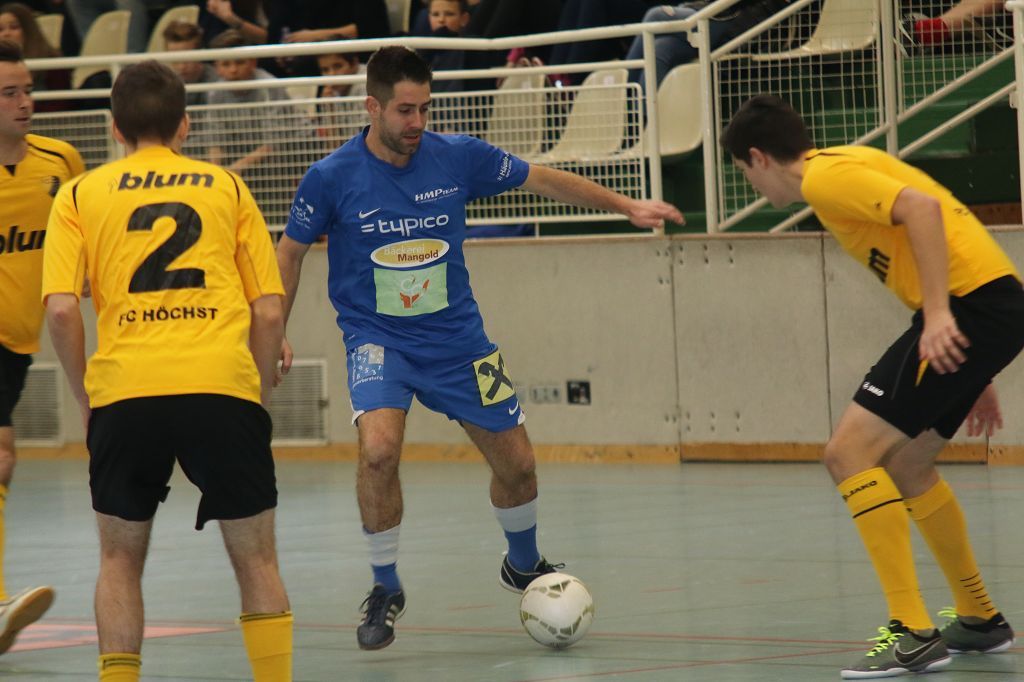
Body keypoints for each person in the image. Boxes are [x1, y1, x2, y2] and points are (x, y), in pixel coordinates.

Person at [276, 45, 683, 651]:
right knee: (379, 452)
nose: (417, 122)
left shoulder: (457, 156)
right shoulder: (331, 177)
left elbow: (542, 178)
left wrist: (626, 205)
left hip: (461, 343)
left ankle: (522, 563)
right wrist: (276, 329)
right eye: (405, 110)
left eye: (424, 108)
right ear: (372, 107)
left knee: (519, 467)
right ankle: (385, 585)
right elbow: (289, 252)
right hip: (378, 341)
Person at [721, 94, 1022, 679]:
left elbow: (923, 210)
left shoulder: (826, 178)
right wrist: (974, 362)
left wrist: (942, 316)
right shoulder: (842, 165)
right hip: (991, 306)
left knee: (847, 453)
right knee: (908, 463)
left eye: (743, 172)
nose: (751, 186)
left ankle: (912, 631)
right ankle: (980, 617)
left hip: (971, 306)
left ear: (758, 157)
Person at [42, 60, 292, 681]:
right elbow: (268, 310)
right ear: (185, 124)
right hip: (220, 386)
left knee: (119, 561)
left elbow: (62, 309)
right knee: (257, 560)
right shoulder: (227, 186)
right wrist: (253, 397)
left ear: (114, 127)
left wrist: (86, 397)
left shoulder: (79, 194)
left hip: (125, 391)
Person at [0, 39, 83, 656]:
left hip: (17, 340)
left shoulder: (60, 161)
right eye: (10, 93)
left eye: (27, 90)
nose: (25, 102)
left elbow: (82, 233)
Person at [624, 0, 792, 92]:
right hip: (713, 14)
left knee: (656, 15)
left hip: (738, 24)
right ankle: (642, 126)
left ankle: (622, 96)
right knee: (661, 48)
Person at [0, 3, 70, 111]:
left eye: (14, 27)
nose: (6, 34)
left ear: (28, 30)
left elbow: (63, 104)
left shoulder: (52, 62)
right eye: (0, 29)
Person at [163, 20, 220, 106]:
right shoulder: (165, 83)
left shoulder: (216, 81)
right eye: (175, 59)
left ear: (200, 53)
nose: (182, 66)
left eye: (187, 58)